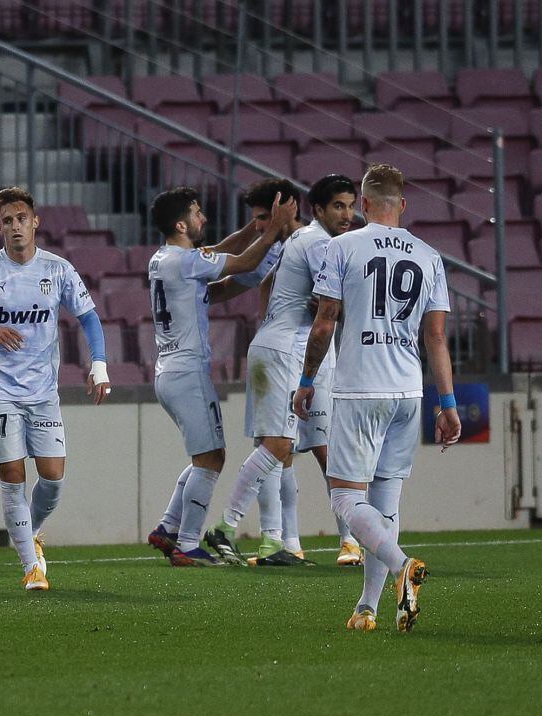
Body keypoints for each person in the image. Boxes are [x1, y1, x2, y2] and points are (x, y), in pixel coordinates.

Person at [293, 164, 461, 632]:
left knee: (346, 500)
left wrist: (307, 381)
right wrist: (447, 404)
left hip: (360, 389)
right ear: (402, 205)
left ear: (364, 205)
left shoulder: (341, 247)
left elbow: (325, 322)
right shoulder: (429, 255)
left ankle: (402, 564)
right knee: (384, 505)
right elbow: (437, 338)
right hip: (409, 391)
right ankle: (368, 608)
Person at [0, 186, 109, 591]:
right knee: (13, 475)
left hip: (42, 392)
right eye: (7, 221)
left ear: (35, 221)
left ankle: (29, 531)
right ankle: (30, 565)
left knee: (53, 477)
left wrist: (100, 364)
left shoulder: (57, 269)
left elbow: (89, 317)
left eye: (21, 218)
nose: (15, 226)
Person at [206, 176, 363, 567]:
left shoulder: (293, 243)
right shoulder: (317, 243)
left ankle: (279, 543)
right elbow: (332, 306)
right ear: (316, 209)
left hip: (278, 348)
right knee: (283, 447)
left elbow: (277, 289)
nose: (347, 215)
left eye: (350, 206)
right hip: (292, 352)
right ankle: (227, 529)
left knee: (283, 449)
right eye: (338, 207)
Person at [144, 186, 296, 567]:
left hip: (167, 372)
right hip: (187, 371)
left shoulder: (165, 259)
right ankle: (189, 544)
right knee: (212, 458)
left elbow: (224, 269)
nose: (203, 219)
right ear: (181, 223)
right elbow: (243, 263)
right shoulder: (186, 262)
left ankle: (168, 528)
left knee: (203, 456)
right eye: (197, 213)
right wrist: (271, 230)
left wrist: (252, 229)